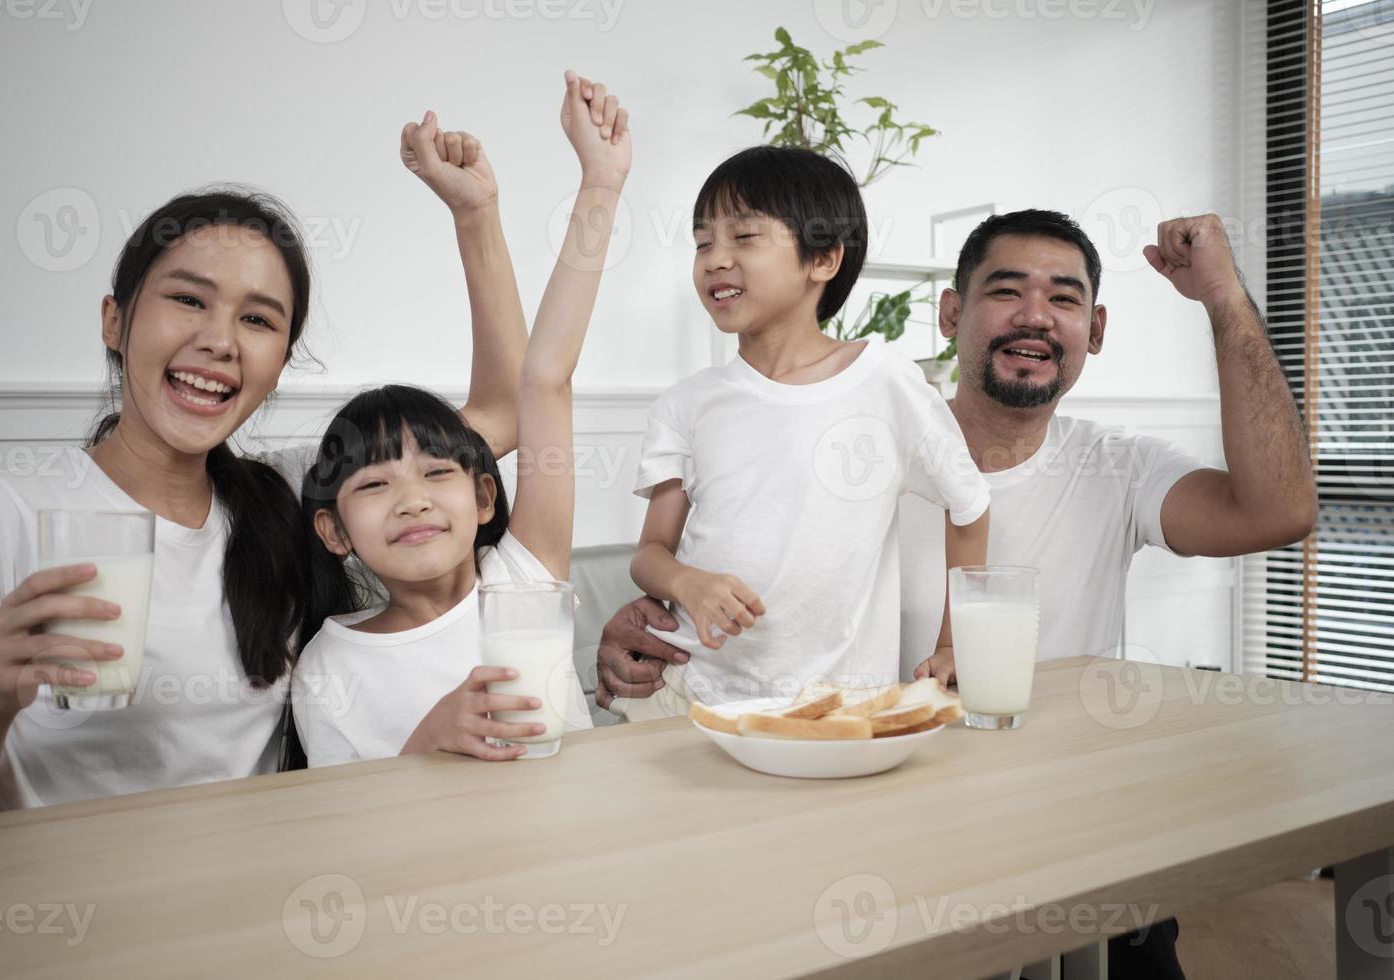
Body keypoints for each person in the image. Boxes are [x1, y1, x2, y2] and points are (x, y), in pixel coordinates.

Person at [594, 208, 1316, 979]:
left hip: (1066, 827)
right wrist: (639, 631)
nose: (1035, 315)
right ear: (951, 316)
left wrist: (1226, 300)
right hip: (881, 829)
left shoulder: (1121, 469)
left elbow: (1280, 510)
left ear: (1095, 330)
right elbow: (723, 585)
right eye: (1006, 291)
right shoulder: (851, 443)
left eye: (1065, 299)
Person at [0, 98, 536, 820]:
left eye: (256, 319)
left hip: (261, 889)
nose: (220, 340)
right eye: (188, 300)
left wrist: (476, 215)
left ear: (280, 360)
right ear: (114, 321)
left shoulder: (284, 489)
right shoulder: (8, 508)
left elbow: (503, 412)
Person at [291, 71, 630, 765]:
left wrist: (601, 182)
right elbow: (349, 832)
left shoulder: (521, 586)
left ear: (482, 496)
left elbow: (545, 379)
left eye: (436, 472)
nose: (412, 498)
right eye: (374, 485)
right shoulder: (329, 668)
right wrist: (433, 741)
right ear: (333, 529)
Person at [608, 144, 989, 721]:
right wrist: (687, 583)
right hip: (693, 694)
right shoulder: (687, 404)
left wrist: (953, 644)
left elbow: (970, 507)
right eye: (703, 242)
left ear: (823, 259)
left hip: (840, 703)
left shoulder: (885, 382)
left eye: (744, 237)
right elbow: (650, 554)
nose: (714, 259)